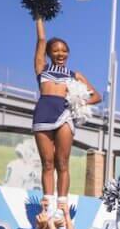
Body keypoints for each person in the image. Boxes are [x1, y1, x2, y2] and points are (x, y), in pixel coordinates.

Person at [32, 18, 100, 218]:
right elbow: (41, 39)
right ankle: (48, 205)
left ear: (68, 53)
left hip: (64, 115)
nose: (60, 54)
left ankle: (62, 207)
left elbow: (96, 96)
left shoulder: (75, 75)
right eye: (56, 50)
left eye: (64, 50)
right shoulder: (41, 69)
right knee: (47, 162)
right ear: (48, 54)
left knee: (62, 162)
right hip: (43, 115)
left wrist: (78, 103)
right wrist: (39, 17)